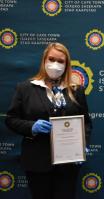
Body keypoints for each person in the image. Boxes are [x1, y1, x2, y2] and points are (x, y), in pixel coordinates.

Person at [5, 42, 92, 199]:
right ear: (44, 60)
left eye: (60, 61)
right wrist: (32, 127)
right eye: (51, 59)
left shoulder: (76, 90)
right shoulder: (25, 88)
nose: (55, 64)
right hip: (37, 161)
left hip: (68, 163)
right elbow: (11, 120)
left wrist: (82, 144)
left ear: (67, 64)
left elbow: (86, 122)